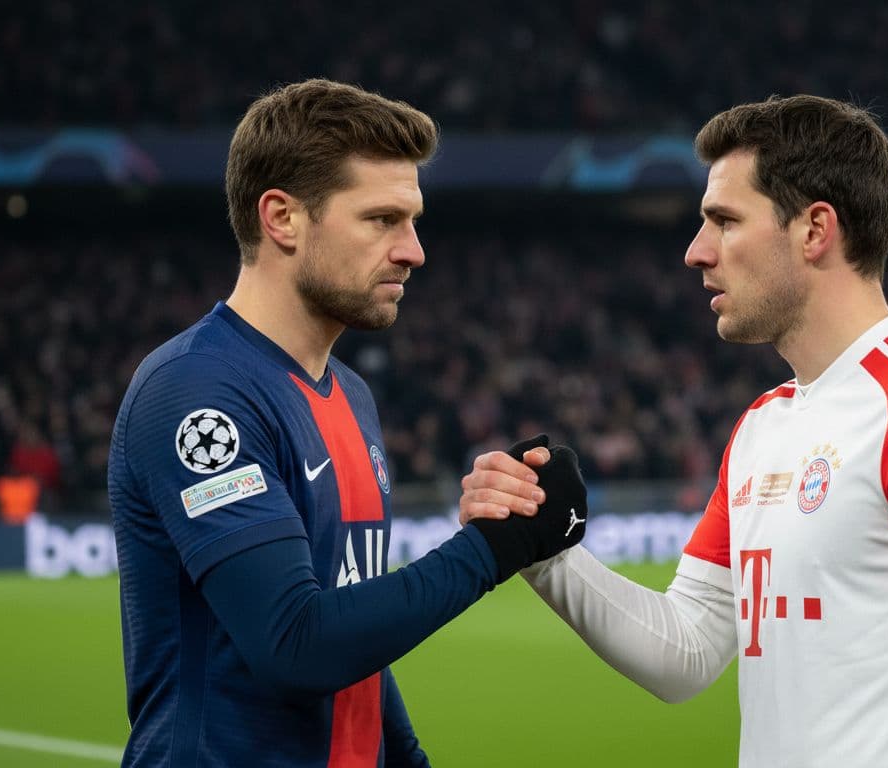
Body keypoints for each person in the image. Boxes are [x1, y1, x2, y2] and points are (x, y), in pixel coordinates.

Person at [466, 95, 888, 766]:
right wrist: (543, 552)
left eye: (724, 221)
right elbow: (684, 651)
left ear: (814, 231)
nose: (695, 252)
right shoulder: (762, 426)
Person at [108, 79, 585, 768]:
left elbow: (353, 625)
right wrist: (494, 548)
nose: (413, 250)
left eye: (413, 220)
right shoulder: (196, 390)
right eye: (381, 219)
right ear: (283, 219)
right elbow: (296, 642)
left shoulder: (349, 394)